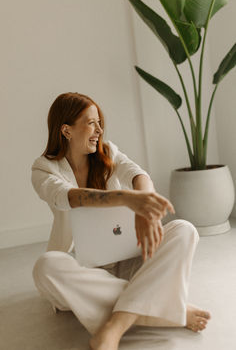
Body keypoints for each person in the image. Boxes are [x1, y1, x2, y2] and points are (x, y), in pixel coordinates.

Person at [31, 92, 211, 350]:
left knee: (184, 230)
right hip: (85, 267)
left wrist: (144, 204)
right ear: (66, 130)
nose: (99, 129)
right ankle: (168, 310)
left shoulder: (108, 152)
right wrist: (126, 198)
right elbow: (66, 197)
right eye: (91, 122)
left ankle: (114, 327)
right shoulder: (43, 168)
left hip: (130, 258)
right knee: (46, 266)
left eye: (99, 122)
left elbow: (139, 175)